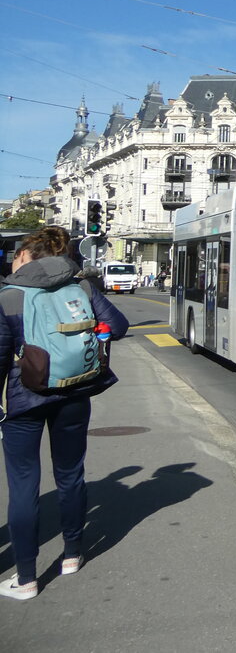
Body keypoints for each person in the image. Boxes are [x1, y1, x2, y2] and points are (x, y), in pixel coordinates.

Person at [0, 226, 129, 601]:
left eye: (19, 253)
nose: (14, 259)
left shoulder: (10, 296)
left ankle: (26, 578)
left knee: (24, 483)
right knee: (71, 474)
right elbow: (118, 327)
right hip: (76, 390)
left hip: (24, 399)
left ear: (30, 257)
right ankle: (72, 554)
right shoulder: (83, 287)